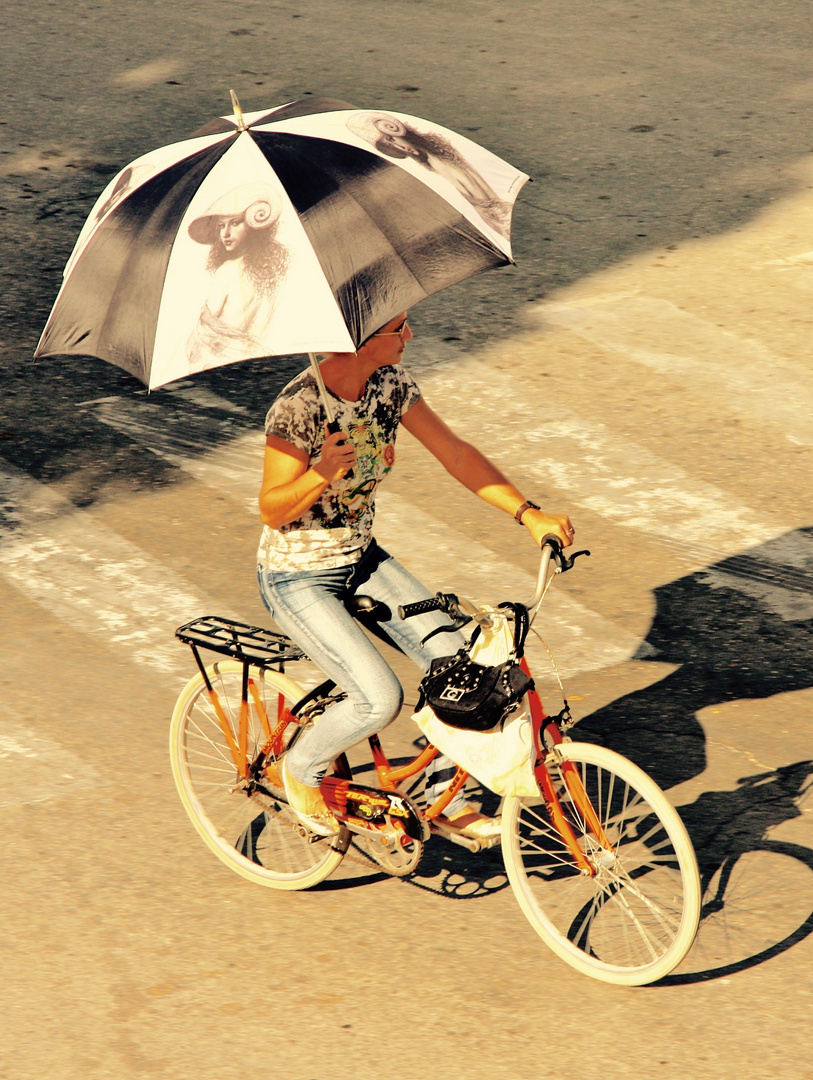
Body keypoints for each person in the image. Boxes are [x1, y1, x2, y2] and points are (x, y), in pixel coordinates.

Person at [257, 312, 574, 836]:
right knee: (378, 699)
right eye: (397, 328)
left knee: (462, 669)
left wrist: (528, 512)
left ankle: (440, 802)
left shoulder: (390, 386)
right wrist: (321, 474)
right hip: (297, 577)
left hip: (360, 558)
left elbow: (454, 454)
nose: (409, 336)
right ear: (358, 338)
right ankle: (300, 768)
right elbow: (272, 509)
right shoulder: (297, 410)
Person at [186, 183, 288, 371]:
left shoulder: (227, 271)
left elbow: (203, 335)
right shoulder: (272, 273)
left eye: (234, 223)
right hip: (260, 365)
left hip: (224, 367)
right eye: (221, 226)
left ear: (252, 225)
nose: (225, 234)